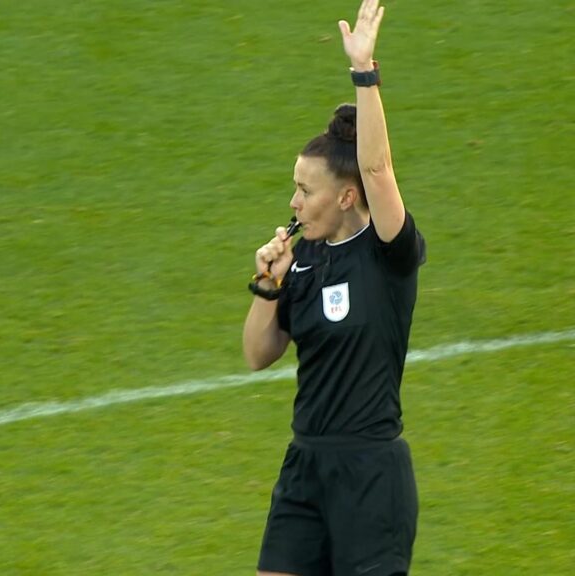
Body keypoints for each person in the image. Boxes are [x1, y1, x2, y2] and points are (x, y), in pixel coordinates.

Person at [242, 1, 425, 574]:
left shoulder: (387, 252)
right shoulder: (305, 260)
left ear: (345, 197)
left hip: (371, 476)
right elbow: (257, 355)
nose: (294, 202)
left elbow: (377, 170)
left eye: (305, 189)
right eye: (293, 187)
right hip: (305, 467)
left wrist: (364, 72)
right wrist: (267, 287)